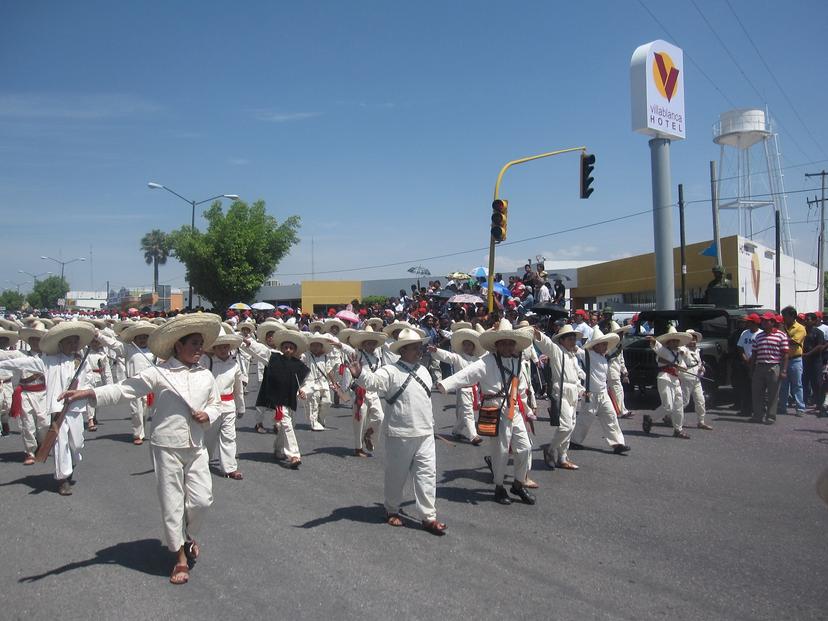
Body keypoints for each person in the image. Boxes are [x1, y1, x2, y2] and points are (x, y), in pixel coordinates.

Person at [62, 314, 223, 585]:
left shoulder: (206, 375)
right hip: (165, 446)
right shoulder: (158, 372)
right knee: (172, 505)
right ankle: (180, 558)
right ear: (178, 346)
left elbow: (216, 404)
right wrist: (89, 393)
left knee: (201, 501)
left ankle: (188, 535)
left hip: (196, 447)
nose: (199, 349)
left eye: (200, 344)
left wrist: (208, 414)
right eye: (194, 343)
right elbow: (125, 389)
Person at [349, 328, 447, 535]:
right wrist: (359, 374)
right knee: (396, 476)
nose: (418, 351)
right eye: (413, 348)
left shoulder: (424, 371)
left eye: (419, 347)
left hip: (425, 434)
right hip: (400, 434)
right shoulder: (390, 371)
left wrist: (430, 425)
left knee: (427, 476)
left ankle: (429, 517)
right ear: (402, 350)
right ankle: (391, 510)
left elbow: (425, 401)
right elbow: (373, 382)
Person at [439, 319, 536, 506]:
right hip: (495, 409)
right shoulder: (487, 361)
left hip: (513, 409)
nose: (508, 346)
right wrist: (445, 384)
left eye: (510, 342)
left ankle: (518, 483)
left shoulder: (518, 361)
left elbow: (520, 387)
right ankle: (499, 487)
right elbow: (466, 374)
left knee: (524, 447)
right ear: (496, 345)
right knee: (500, 451)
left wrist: (528, 408)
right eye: (504, 343)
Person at [2, 321, 96, 494]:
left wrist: (83, 393)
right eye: (69, 342)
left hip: (75, 410)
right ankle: (63, 479)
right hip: (57, 409)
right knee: (60, 443)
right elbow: (21, 363)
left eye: (75, 342)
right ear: (60, 343)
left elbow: (89, 381)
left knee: (77, 444)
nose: (73, 345)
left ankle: (71, 464)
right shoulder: (48, 361)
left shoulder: (82, 361)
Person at [569, 327, 630, 455]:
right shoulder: (588, 355)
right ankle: (574, 441)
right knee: (586, 418)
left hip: (603, 394)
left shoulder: (604, 358)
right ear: (596, 345)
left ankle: (617, 443)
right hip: (591, 394)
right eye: (603, 344)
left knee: (611, 416)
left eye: (606, 344)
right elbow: (576, 349)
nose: (605, 346)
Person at [255, 331, 309, 468]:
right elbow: (260, 352)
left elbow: (305, 383)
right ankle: (294, 455)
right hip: (278, 400)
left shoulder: (299, 365)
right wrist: (249, 343)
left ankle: (278, 449)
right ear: (281, 348)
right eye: (285, 347)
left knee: (285, 426)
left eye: (291, 347)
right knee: (286, 423)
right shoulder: (274, 358)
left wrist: (303, 391)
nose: (288, 350)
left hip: (291, 399)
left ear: (295, 350)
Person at [0, 321, 49, 464]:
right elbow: (3, 355)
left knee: (44, 424)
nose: (35, 341)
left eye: (38, 338)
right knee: (27, 424)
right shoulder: (20, 353)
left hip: (43, 393)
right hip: (26, 393)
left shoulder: (49, 356)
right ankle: (30, 452)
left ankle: (41, 444)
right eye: (32, 338)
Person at [428, 325, 484, 446]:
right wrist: (436, 351)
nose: (467, 347)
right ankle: (473, 436)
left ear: (474, 346)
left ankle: (457, 430)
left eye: (469, 344)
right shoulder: (458, 358)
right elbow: (449, 356)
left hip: (475, 389)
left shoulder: (477, 360)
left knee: (463, 412)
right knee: (468, 412)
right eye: (465, 344)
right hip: (463, 389)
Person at [201, 326, 245, 480]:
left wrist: (241, 407)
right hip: (211, 406)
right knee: (209, 438)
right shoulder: (206, 362)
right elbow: (199, 385)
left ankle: (230, 468)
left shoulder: (234, 365)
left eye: (226, 346)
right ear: (214, 348)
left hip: (229, 405)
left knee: (229, 437)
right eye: (219, 346)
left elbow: (238, 389)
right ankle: (202, 463)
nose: (223, 349)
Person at [646, 328, 695, 439]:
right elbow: (657, 347)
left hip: (675, 380)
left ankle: (678, 430)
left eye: (676, 341)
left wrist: (682, 364)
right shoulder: (664, 351)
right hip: (665, 378)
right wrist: (652, 340)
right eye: (672, 341)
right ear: (668, 342)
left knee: (678, 406)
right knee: (668, 406)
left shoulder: (680, 353)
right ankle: (650, 418)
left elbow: (685, 366)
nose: (675, 343)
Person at [346, 326, 387, 457]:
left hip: (373, 392)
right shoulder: (357, 355)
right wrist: (353, 387)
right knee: (360, 419)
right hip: (360, 392)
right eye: (368, 343)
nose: (371, 346)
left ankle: (368, 434)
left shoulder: (377, 358)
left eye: (373, 343)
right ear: (363, 344)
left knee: (379, 417)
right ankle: (358, 448)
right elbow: (349, 371)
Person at [750, 312, 789, 424]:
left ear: (772, 322)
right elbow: (754, 354)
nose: (764, 322)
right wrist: (751, 369)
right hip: (759, 366)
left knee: (773, 393)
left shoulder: (781, 335)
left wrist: (784, 370)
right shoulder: (758, 336)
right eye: (763, 320)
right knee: (757, 392)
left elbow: (785, 354)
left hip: (774, 366)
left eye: (767, 321)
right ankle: (758, 415)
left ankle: (770, 417)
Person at [299, 334, 338, 432]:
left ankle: (321, 418)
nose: (315, 347)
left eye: (317, 345)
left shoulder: (325, 357)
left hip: (323, 383)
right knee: (314, 403)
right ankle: (314, 422)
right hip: (311, 383)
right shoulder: (306, 355)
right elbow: (299, 359)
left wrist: (334, 382)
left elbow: (329, 370)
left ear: (321, 347)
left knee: (327, 402)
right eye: (313, 345)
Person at [680, 330, 712, 430]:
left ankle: (701, 421)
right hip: (686, 377)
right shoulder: (683, 350)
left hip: (697, 378)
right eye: (690, 339)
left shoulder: (697, 350)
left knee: (700, 400)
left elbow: (699, 363)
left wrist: (702, 368)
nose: (693, 341)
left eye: (694, 339)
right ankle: (670, 416)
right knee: (684, 401)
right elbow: (679, 354)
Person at [777, 306, 806, 417]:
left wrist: (782, 333)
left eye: (785, 316)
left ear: (792, 316)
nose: (783, 318)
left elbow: (793, 342)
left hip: (795, 359)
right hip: (783, 359)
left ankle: (800, 408)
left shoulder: (800, 328)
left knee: (797, 384)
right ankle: (782, 406)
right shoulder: (782, 326)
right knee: (783, 385)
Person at [734, 313, 761, 417]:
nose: (746, 323)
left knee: (757, 388)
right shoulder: (745, 333)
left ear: (754, 323)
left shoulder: (760, 334)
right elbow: (740, 346)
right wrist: (744, 358)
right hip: (745, 363)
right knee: (745, 388)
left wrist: (752, 360)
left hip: (757, 363)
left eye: (748, 321)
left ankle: (758, 410)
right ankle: (746, 409)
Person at [607, 325, 632, 418]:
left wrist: (624, 371)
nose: (621, 336)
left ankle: (618, 410)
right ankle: (621, 411)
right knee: (617, 390)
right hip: (610, 371)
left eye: (621, 334)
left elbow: (621, 360)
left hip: (616, 371)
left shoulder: (619, 346)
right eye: (619, 334)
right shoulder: (609, 346)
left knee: (617, 391)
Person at [802, 313, 825, 408]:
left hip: (815, 360)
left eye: (809, 319)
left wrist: (808, 354)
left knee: (816, 382)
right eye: (805, 319)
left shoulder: (819, 332)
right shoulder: (802, 331)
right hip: (804, 360)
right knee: (804, 381)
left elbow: (820, 346)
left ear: (815, 321)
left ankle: (819, 403)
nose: (806, 321)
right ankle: (804, 401)